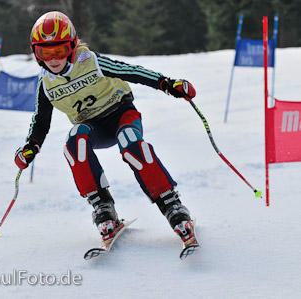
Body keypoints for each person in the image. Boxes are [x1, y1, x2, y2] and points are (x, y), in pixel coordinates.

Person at [15, 11, 199, 250]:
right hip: (94, 127)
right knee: (74, 142)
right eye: (44, 52)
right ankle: (103, 207)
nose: (53, 59)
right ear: (35, 53)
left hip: (121, 114)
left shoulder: (90, 62)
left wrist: (167, 84)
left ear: (71, 46)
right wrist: (31, 146)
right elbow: (41, 121)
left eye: (59, 50)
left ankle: (172, 204)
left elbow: (131, 71)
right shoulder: (46, 83)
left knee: (130, 142)